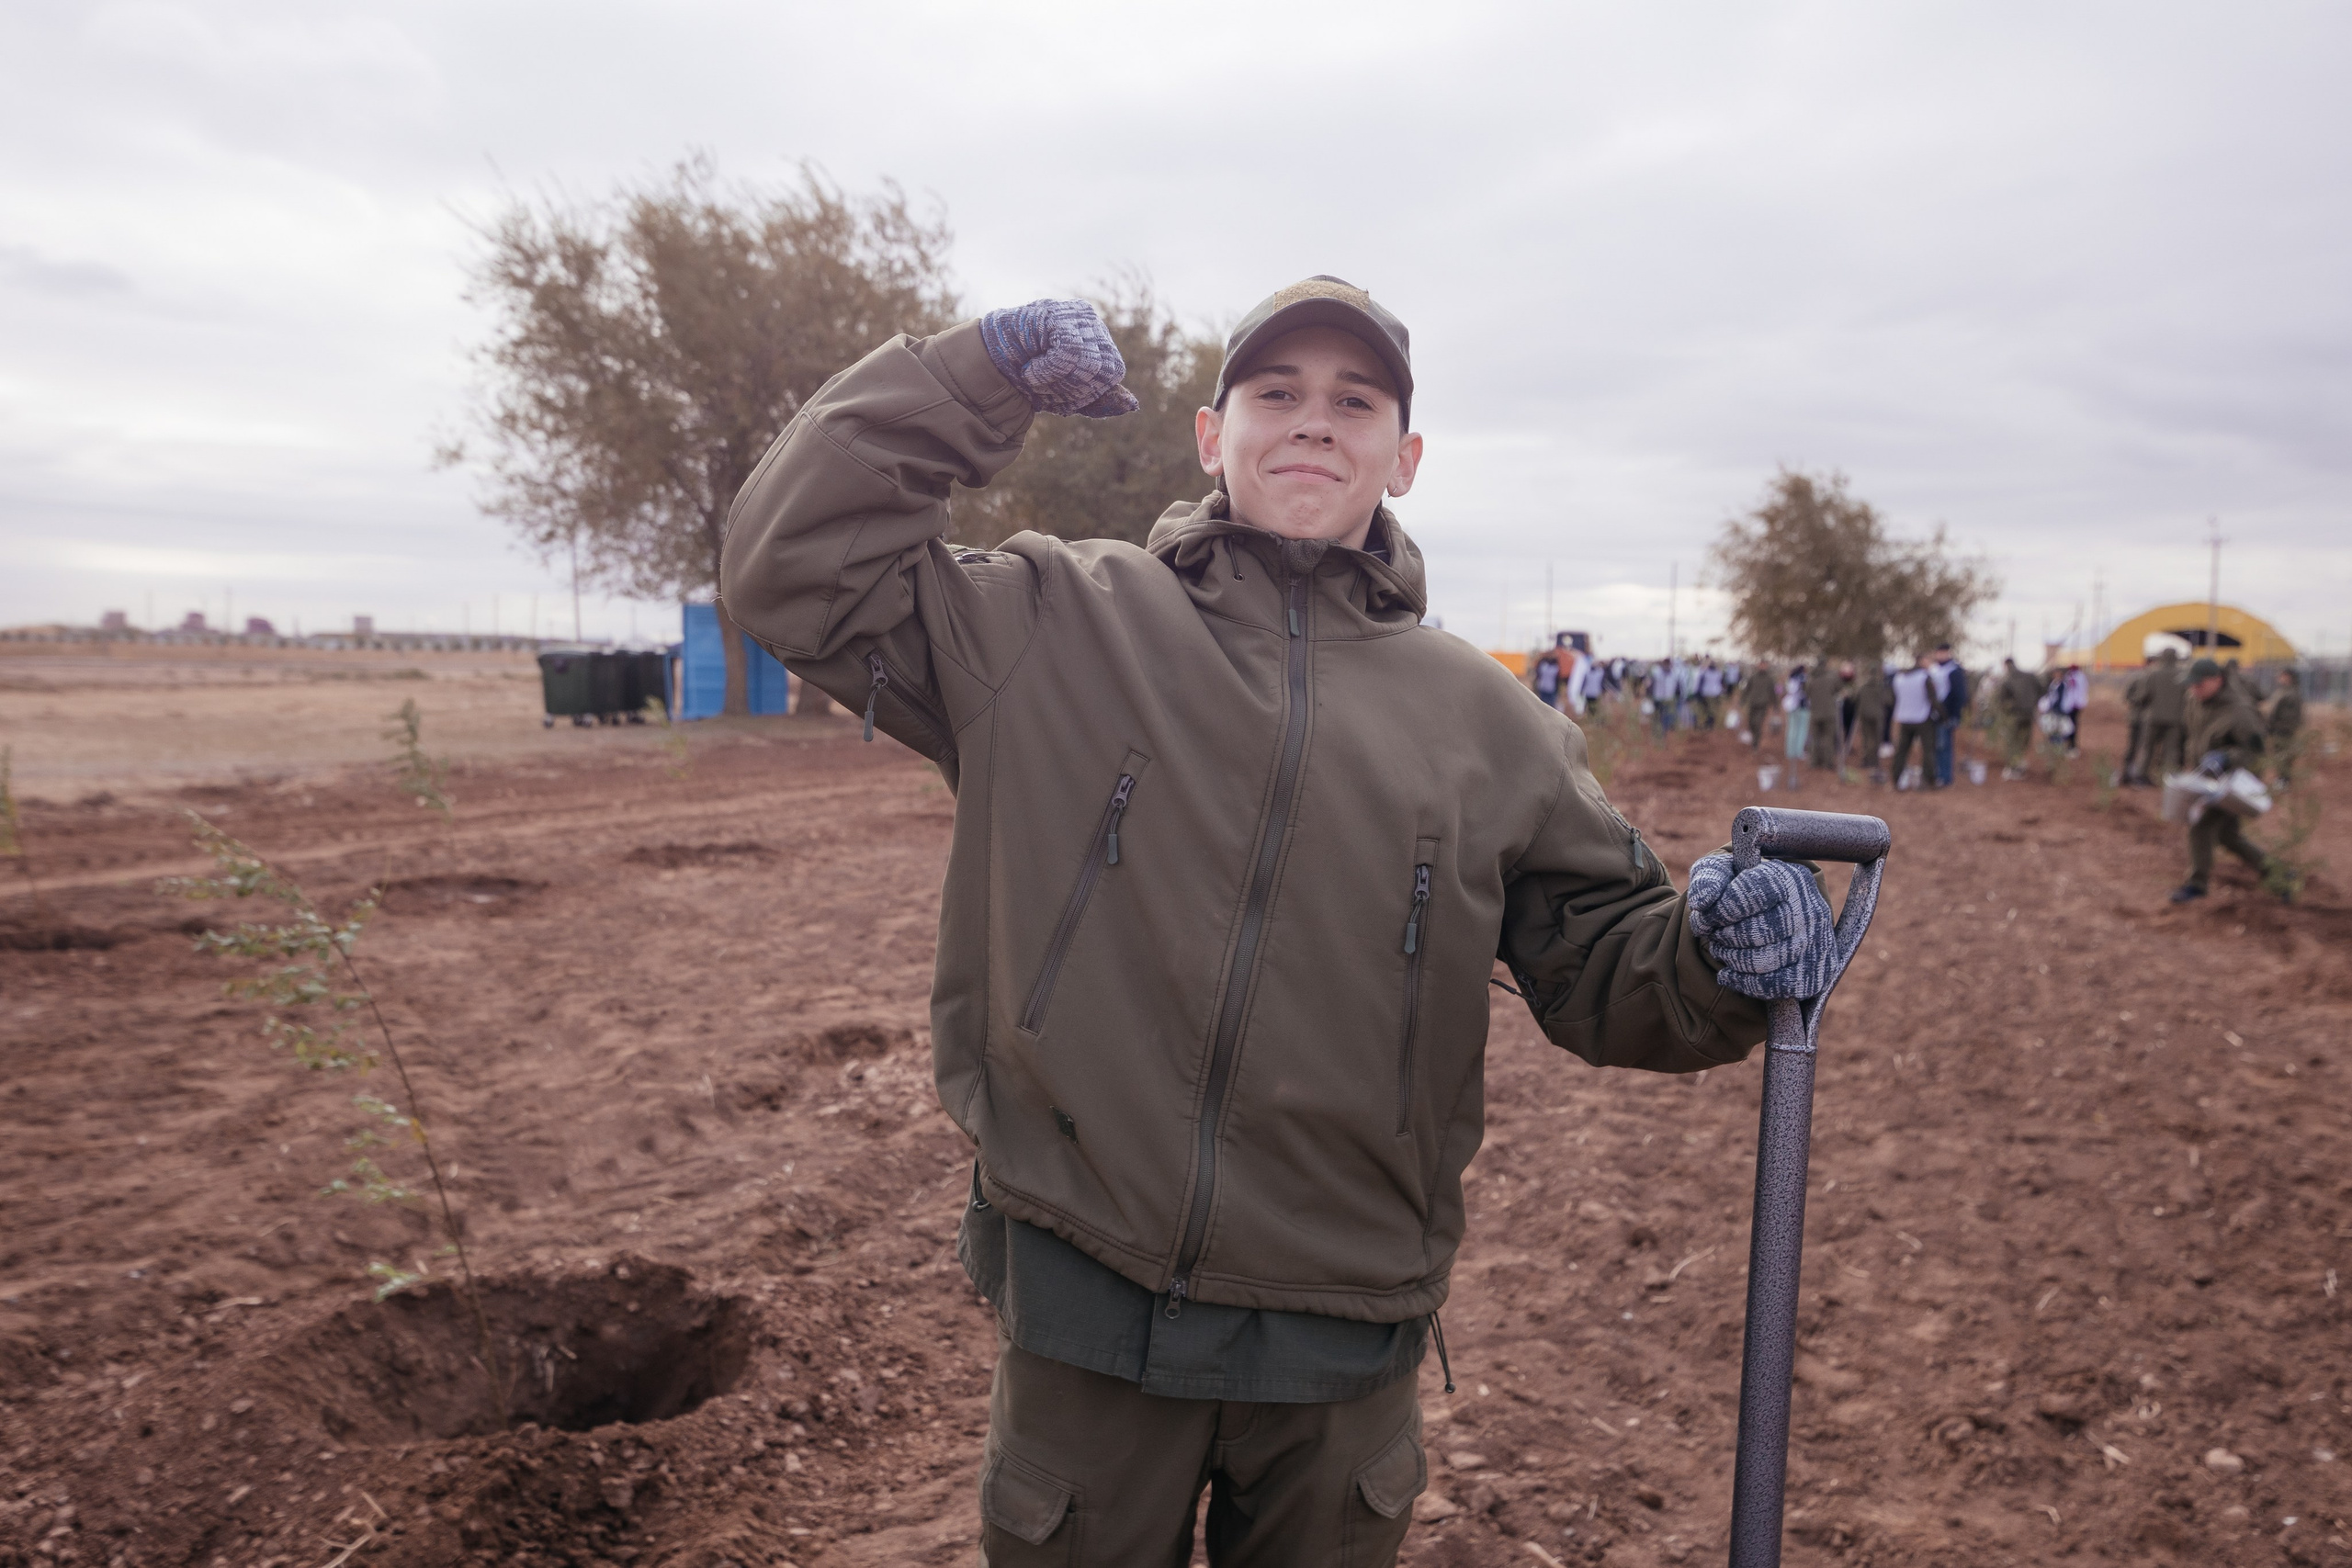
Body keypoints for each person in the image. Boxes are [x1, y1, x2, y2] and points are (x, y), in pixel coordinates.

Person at [718, 280, 1837, 1565]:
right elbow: (794, 568)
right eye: (1277, 393)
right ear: (1212, 435)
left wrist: (1719, 954)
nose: (1313, 421)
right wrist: (974, 375)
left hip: (1342, 1335)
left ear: (1404, 459)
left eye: (1354, 402)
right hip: (1088, 1294)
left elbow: (1614, 972)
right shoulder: (1053, 621)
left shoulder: (1492, 725)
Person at [2170, 658, 2278, 904]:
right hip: (2207, 779)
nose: (2194, 690)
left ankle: (2197, 885)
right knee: (2228, 836)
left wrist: (2227, 757)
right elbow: (2192, 735)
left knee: (2201, 825)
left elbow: (2256, 752)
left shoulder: (2240, 712)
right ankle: (2278, 872)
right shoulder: (2195, 701)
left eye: (2199, 684)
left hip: (2233, 782)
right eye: (2191, 685)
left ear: (2217, 680)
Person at [1889, 653, 1938, 789]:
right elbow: (1932, 699)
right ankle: (1928, 780)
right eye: (1929, 660)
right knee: (1928, 749)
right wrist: (1943, 716)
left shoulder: (1900, 677)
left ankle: (1896, 777)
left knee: (1902, 750)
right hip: (1922, 718)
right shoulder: (1925, 677)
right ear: (1922, 661)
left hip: (1905, 718)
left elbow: (1894, 698)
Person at [2141, 648, 2188, 779]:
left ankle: (2142, 775)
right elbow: (2188, 698)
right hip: (2175, 719)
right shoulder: (2182, 675)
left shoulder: (2154, 674)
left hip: (2154, 717)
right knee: (2171, 750)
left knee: (2148, 748)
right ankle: (2168, 777)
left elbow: (2145, 695)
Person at [1929, 645, 1969, 787]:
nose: (1940, 655)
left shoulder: (1954, 670)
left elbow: (1960, 695)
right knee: (1935, 746)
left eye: (1943, 653)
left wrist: (1955, 716)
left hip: (1947, 715)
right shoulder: (1933, 669)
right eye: (1938, 653)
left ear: (1948, 653)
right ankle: (1936, 773)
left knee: (1944, 746)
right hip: (1932, 714)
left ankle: (1945, 777)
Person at [1995, 658, 2041, 779]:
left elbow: (2002, 700)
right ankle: (2020, 762)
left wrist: (2008, 709)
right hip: (2029, 714)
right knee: (2024, 740)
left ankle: (2014, 768)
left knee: (2012, 741)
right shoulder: (2030, 676)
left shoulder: (2007, 680)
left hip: (2015, 715)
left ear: (2006, 666)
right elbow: (2042, 689)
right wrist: (2033, 703)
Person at [1849, 660, 1892, 784]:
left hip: (1865, 715)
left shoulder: (1863, 686)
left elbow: (1855, 699)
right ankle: (1875, 761)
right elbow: (1888, 701)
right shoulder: (1882, 686)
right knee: (1877, 738)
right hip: (1878, 715)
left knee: (1866, 738)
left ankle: (1866, 760)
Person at [2267, 668, 2306, 790]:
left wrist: (2274, 726)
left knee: (2284, 755)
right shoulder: (2284, 691)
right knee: (2279, 754)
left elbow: (2288, 715)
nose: (2279, 678)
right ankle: (2282, 779)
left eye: (2282, 675)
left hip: (2284, 730)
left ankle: (2284, 781)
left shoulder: (2291, 694)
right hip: (2279, 729)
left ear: (2288, 677)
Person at [1806, 658, 1845, 773]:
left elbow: (1806, 693)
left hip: (1815, 712)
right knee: (1828, 737)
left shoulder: (1811, 678)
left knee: (1815, 737)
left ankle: (1814, 761)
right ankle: (1827, 762)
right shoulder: (1832, 677)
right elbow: (1840, 688)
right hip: (1829, 713)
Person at [2120, 666, 2153, 785]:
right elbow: (2127, 696)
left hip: (2146, 719)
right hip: (2138, 718)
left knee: (2141, 747)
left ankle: (2136, 773)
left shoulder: (2152, 678)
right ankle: (2128, 774)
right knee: (2135, 747)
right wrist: (2139, 699)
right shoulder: (2138, 678)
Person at [1781, 661, 1810, 789]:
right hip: (1801, 707)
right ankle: (1798, 751)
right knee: (1801, 730)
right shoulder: (1803, 679)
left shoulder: (1791, 679)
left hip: (1791, 707)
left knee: (1791, 729)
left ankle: (1790, 751)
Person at [1739, 660, 1775, 749]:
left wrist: (1776, 705)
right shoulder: (1753, 677)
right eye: (1761, 665)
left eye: (1764, 665)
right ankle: (1753, 738)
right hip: (1753, 703)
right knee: (1751, 723)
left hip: (1763, 705)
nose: (1762, 667)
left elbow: (1773, 693)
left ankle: (1756, 743)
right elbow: (1747, 690)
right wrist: (1742, 701)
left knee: (1758, 723)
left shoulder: (1769, 679)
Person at [1532, 647, 1562, 711]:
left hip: (1551, 690)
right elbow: (1538, 674)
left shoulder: (1556, 665)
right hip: (1543, 688)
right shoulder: (1543, 663)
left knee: (1551, 708)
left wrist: (1557, 690)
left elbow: (1558, 679)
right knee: (1542, 707)